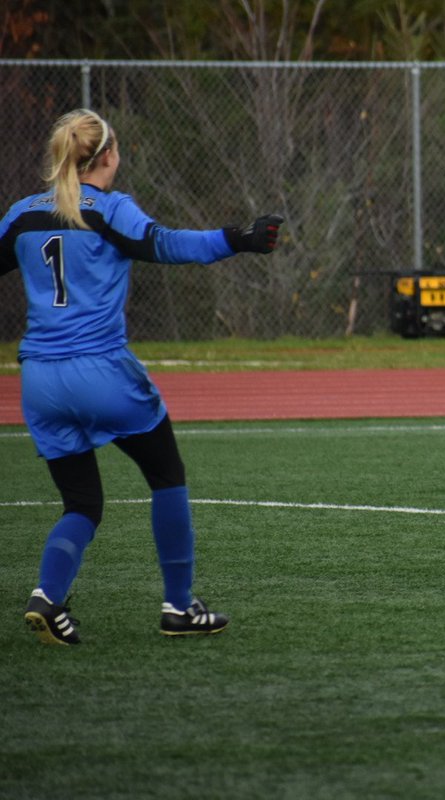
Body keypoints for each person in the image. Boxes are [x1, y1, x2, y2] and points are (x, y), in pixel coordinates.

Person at [1, 109, 284, 645]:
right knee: (166, 475)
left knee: (82, 504)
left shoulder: (21, 214)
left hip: (39, 381)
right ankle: (179, 606)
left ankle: (47, 595)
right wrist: (239, 238)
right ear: (107, 155)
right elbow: (169, 244)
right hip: (102, 373)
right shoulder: (110, 209)